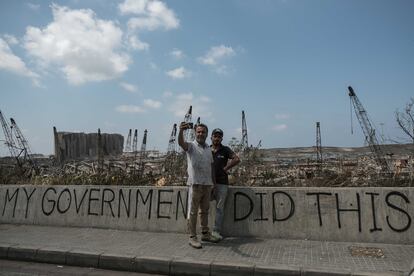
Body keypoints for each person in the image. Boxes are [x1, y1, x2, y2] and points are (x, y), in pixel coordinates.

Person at [178, 122, 220, 249]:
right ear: (195, 133)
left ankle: (205, 234)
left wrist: (213, 183)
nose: (201, 134)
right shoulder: (191, 146)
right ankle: (192, 236)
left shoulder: (208, 148)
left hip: (207, 184)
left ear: (207, 134)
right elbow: (181, 143)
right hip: (195, 184)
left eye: (203, 132)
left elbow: (211, 166)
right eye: (199, 132)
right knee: (193, 212)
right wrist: (181, 131)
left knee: (205, 211)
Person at [210, 128, 240, 241]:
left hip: (222, 183)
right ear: (211, 137)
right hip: (208, 183)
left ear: (221, 138)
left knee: (219, 208)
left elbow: (237, 159)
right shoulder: (207, 150)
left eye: (219, 136)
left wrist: (226, 168)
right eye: (215, 136)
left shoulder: (225, 150)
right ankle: (204, 231)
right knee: (204, 206)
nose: (217, 138)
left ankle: (216, 231)